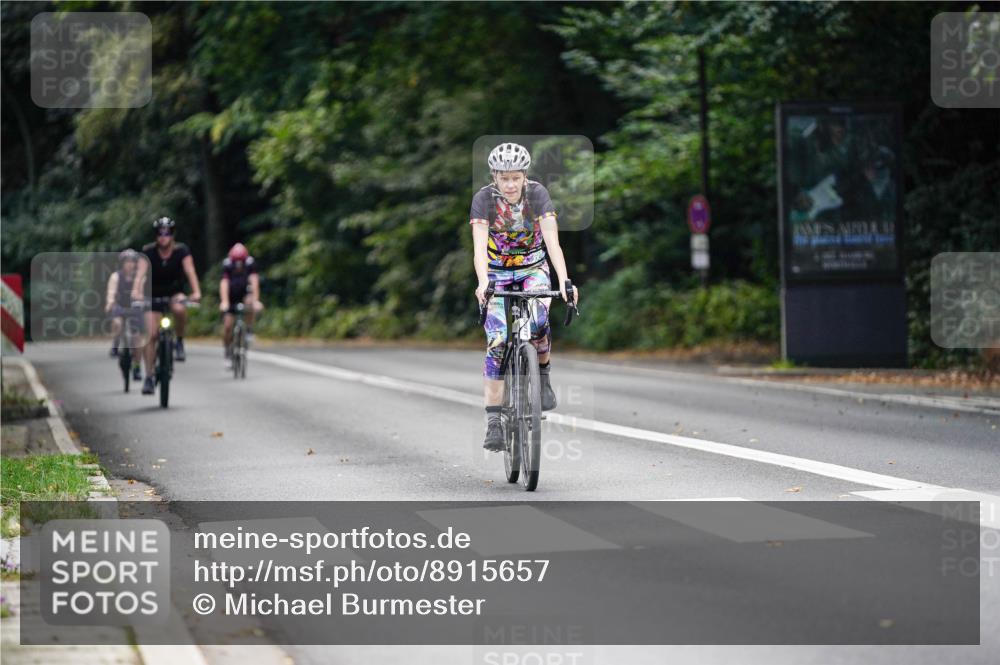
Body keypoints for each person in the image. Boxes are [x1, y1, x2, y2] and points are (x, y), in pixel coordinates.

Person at [470, 142, 579, 451]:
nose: (510, 185)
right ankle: (494, 422)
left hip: (533, 270)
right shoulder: (483, 200)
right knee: (498, 341)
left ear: (524, 176)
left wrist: (565, 281)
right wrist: (482, 282)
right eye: (504, 178)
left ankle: (542, 377)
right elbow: (479, 248)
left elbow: (552, 242)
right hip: (497, 273)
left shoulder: (537, 195)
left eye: (515, 178)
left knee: (539, 321)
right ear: (494, 176)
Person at [131, 217, 202, 395]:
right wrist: (136, 292)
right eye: (160, 233)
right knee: (151, 334)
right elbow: (140, 275)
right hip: (152, 295)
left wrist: (196, 292)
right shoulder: (147, 251)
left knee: (179, 308)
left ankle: (179, 341)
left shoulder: (181, 251)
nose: (163, 237)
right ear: (156, 236)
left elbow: (190, 271)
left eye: (167, 233)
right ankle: (149, 376)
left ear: (172, 235)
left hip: (174, 293)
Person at [219, 242, 263, 367]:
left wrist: (256, 300)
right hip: (231, 296)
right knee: (228, 326)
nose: (238, 265)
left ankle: (249, 329)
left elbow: (254, 281)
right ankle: (227, 351)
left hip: (244, 293)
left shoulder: (249, 263)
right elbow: (224, 283)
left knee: (250, 303)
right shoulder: (227, 264)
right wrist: (224, 301)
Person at [104, 249, 143, 380]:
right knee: (117, 322)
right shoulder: (116, 276)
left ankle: (137, 367)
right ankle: (116, 343)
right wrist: (110, 303)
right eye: (127, 262)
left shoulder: (139, 277)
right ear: (122, 263)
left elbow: (143, 293)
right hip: (119, 305)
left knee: (136, 337)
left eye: (132, 262)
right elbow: (111, 292)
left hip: (134, 306)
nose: (130, 264)